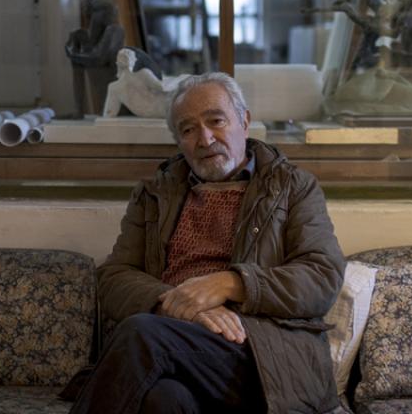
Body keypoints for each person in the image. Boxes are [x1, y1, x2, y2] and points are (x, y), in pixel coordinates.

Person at [69, 73, 345, 414]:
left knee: (140, 333)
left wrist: (230, 283)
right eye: (188, 130)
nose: (204, 138)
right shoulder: (154, 193)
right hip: (177, 344)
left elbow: (322, 277)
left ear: (244, 121)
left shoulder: (293, 187)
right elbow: (114, 277)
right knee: (163, 400)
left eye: (216, 121)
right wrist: (181, 305)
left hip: (261, 359)